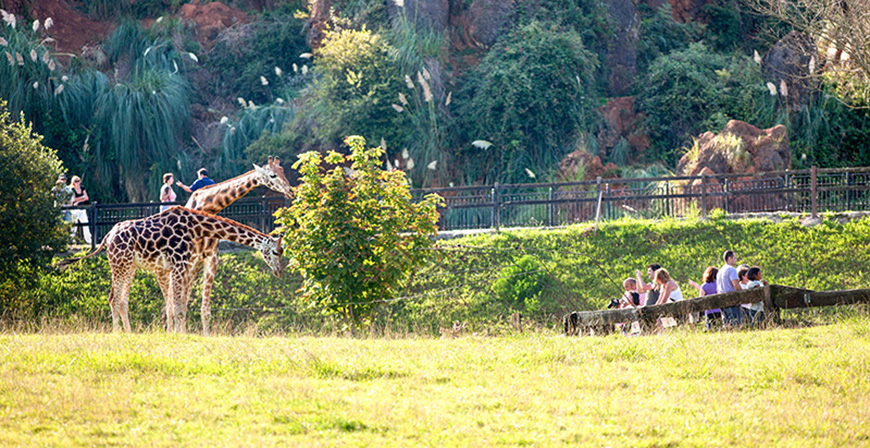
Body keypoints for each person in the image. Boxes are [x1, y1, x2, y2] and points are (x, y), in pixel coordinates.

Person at [688, 266, 721, 330]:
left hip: (709, 311)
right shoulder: (718, 284)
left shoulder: (705, 286)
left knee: (711, 329)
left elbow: (701, 298)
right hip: (719, 310)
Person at [716, 250, 742, 326]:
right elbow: (736, 285)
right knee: (736, 323)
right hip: (732, 300)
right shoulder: (731, 269)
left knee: (726, 324)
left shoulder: (720, 271)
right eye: (735, 258)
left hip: (722, 300)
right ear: (729, 258)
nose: (736, 260)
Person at [68, 175, 92, 244]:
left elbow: (87, 197)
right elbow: (73, 199)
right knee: (74, 225)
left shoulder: (82, 188)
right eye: (76, 181)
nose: (77, 182)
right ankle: (72, 240)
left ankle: (88, 240)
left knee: (86, 224)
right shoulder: (72, 190)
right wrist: (82, 197)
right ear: (73, 183)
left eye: (78, 181)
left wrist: (78, 201)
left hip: (82, 208)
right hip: (75, 209)